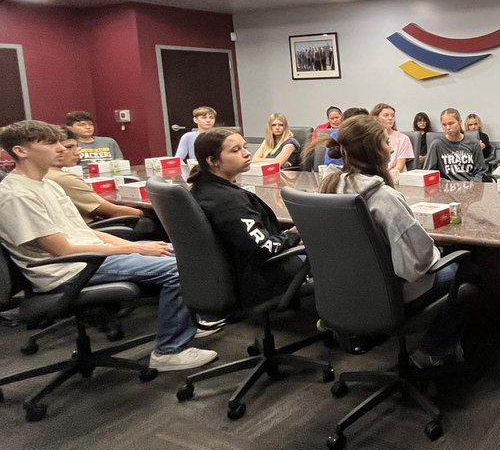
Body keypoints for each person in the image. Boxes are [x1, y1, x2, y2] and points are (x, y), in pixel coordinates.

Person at [0, 120, 218, 371]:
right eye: (50, 143)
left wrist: (135, 246)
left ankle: (184, 323)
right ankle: (170, 350)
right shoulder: (18, 195)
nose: (61, 148)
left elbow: (85, 233)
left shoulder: (46, 183)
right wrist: (136, 249)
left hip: (88, 255)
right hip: (68, 269)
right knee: (180, 267)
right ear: (20, 151)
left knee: (178, 251)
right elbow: (64, 251)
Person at [321, 114, 476, 367]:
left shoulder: (330, 186)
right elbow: (415, 265)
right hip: (390, 295)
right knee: (466, 269)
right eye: (385, 142)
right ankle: (433, 351)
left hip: (347, 292)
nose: (390, 147)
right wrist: (438, 251)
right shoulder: (382, 197)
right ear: (373, 150)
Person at [189, 128, 307, 309]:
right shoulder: (229, 201)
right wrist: (293, 236)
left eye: (244, 147)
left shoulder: (203, 187)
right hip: (260, 277)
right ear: (212, 161)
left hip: (236, 272)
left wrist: (287, 235)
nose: (246, 153)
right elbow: (264, 247)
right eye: (235, 150)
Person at [48, 127, 148, 223]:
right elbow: (113, 211)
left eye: (77, 146)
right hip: (91, 230)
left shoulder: (45, 175)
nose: (77, 152)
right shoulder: (63, 178)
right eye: (69, 147)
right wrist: (148, 213)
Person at [425, 108, 488, 181]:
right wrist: (444, 182)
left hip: (469, 186)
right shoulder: (437, 144)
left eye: (451, 123)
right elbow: (428, 173)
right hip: (445, 188)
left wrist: (473, 184)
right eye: (444, 125)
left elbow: (481, 171)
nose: (448, 128)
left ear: (460, 122)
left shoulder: (473, 143)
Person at [371, 103, 415, 171]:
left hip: (394, 176)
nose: (390, 118)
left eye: (393, 115)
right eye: (386, 115)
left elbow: (399, 167)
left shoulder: (403, 138)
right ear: (376, 117)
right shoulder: (370, 138)